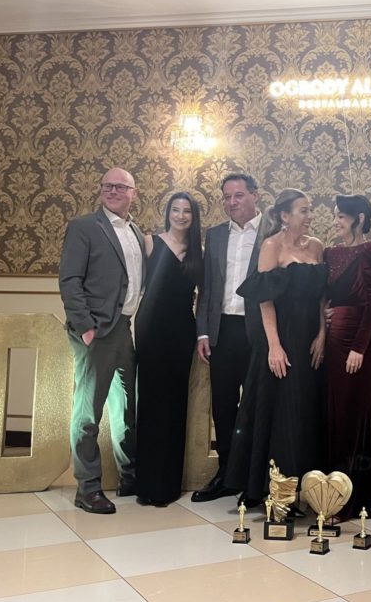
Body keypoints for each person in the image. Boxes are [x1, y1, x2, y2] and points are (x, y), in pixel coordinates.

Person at [224, 188, 328, 505]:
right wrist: (274, 346)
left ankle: (303, 487)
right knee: (279, 412)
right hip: (280, 339)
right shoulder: (271, 246)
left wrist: (322, 334)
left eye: (310, 210)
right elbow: (264, 301)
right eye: (303, 210)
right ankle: (271, 489)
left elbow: (322, 296)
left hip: (310, 339)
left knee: (305, 410)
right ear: (285, 215)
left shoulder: (317, 246)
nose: (310, 216)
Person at [58, 167, 146, 514]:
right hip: (95, 331)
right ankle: (88, 488)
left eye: (120, 187)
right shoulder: (84, 227)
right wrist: (85, 327)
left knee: (126, 408)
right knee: (88, 412)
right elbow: (69, 279)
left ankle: (130, 476)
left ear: (133, 193)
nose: (112, 191)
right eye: (107, 186)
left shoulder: (136, 232)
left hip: (123, 329)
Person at [191, 174, 263, 503]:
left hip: (259, 332)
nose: (231, 202)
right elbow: (206, 287)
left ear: (255, 195)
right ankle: (227, 474)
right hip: (222, 331)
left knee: (257, 406)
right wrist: (203, 331)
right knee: (222, 406)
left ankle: (255, 477)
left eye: (238, 195)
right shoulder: (216, 234)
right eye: (226, 197)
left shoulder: (272, 232)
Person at [133, 192, 203, 507]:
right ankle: (145, 484)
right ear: (168, 213)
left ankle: (167, 487)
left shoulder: (199, 251)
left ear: (194, 217)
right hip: (150, 327)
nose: (180, 215)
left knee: (175, 403)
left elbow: (204, 296)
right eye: (175, 209)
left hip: (182, 331)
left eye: (187, 211)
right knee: (150, 401)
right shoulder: (150, 242)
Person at [323, 194, 371, 522]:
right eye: (335, 216)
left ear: (359, 218)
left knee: (351, 418)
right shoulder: (330, 253)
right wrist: (325, 312)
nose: (335, 221)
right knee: (336, 417)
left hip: (361, 347)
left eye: (341, 217)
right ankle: (351, 497)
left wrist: (359, 348)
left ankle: (343, 502)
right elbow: (326, 295)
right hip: (334, 344)